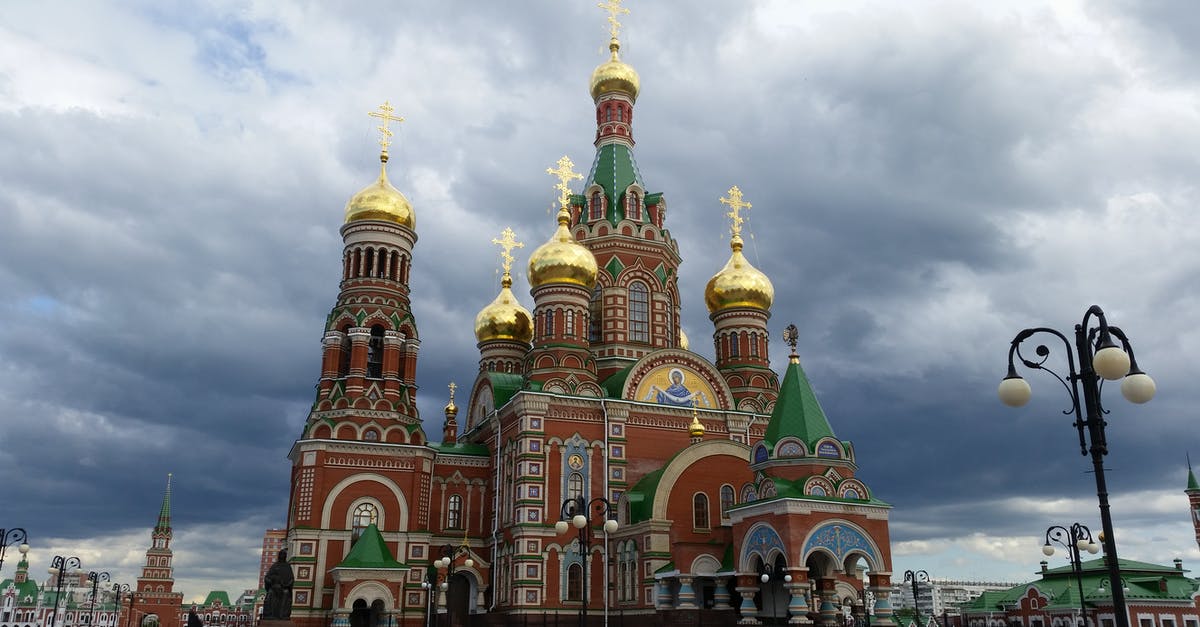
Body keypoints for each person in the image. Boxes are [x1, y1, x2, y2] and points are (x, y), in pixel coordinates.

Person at [262, 549, 294, 620]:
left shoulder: (287, 566)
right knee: (270, 593)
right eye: (281, 555)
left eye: (283, 555)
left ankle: (283, 615)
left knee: (286, 593)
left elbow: (292, 579)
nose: (282, 556)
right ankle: (269, 614)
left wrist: (287, 585)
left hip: (284, 588)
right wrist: (271, 582)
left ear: (285, 556)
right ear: (279, 556)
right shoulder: (275, 565)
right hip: (274, 587)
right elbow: (267, 577)